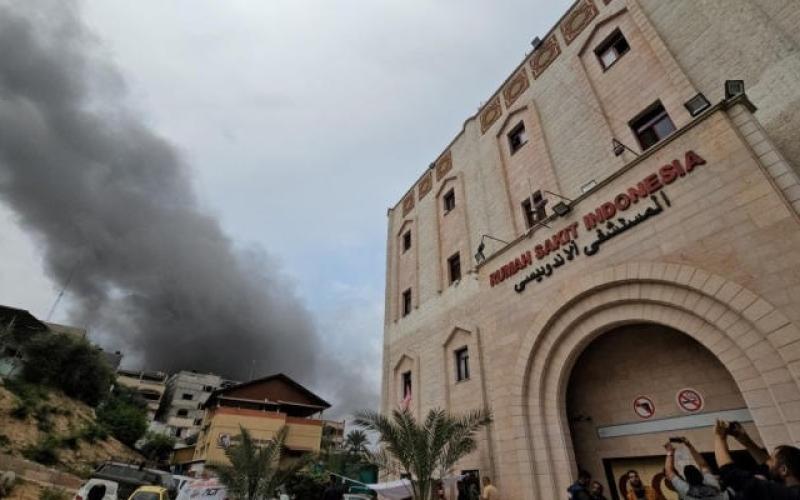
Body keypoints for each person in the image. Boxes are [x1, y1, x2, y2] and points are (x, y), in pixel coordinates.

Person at [713, 419, 800, 499]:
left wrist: (720, 437)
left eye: (772, 460)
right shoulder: (789, 491)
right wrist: (745, 440)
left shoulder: (786, 495)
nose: (768, 463)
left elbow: (732, 475)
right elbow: (766, 465)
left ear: (783, 470)